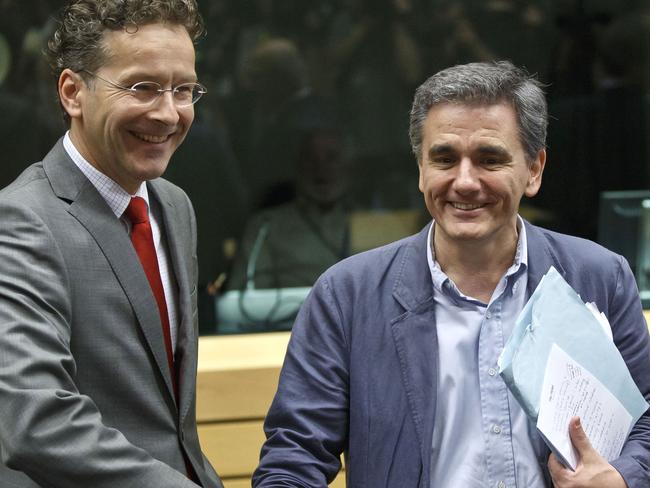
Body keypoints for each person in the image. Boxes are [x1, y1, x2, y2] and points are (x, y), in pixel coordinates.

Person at [252, 61, 650, 487]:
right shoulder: (347, 295)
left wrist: (622, 479)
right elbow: (294, 456)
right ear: (421, 168)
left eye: (489, 159)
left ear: (534, 170)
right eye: (444, 158)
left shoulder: (598, 277)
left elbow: (644, 420)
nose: (464, 181)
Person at [0, 1, 223, 487]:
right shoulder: (19, 221)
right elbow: (36, 422)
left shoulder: (174, 206)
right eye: (142, 87)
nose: (168, 113)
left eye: (183, 89)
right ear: (72, 92)